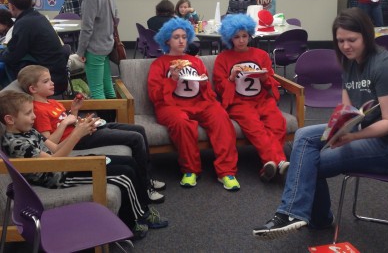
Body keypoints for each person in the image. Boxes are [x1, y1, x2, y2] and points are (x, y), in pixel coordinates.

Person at [253, 7, 388, 239]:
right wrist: (339, 129)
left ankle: (300, 215)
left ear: (366, 36)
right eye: (340, 40)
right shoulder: (350, 62)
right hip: (362, 131)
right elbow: (346, 109)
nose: (346, 46)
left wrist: (352, 136)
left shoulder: (384, 67)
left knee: (309, 162)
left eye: (352, 40)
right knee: (303, 136)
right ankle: (304, 215)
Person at [0, 90, 169, 240]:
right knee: (123, 175)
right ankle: (134, 222)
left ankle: (142, 209)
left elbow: (56, 148)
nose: (34, 116)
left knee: (129, 163)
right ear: (10, 119)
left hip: (65, 164)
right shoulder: (16, 143)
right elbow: (53, 163)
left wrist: (78, 130)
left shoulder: (28, 131)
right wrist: (76, 134)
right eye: (29, 113)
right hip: (59, 176)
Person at [17, 64, 166, 203]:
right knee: (135, 138)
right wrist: (68, 125)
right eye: (46, 81)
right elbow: (50, 142)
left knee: (138, 129)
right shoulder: (38, 110)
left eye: (50, 79)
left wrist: (75, 112)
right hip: (78, 140)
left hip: (83, 131)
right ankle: (146, 187)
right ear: (33, 89)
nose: (52, 83)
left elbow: (68, 120)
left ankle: (147, 177)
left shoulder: (52, 102)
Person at [147, 18, 240, 191]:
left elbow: (207, 91)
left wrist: (205, 87)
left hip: (200, 102)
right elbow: (155, 96)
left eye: (184, 36)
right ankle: (190, 170)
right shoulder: (158, 64)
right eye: (176, 37)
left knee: (221, 118)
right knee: (182, 123)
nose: (181, 41)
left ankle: (226, 171)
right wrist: (172, 79)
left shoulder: (196, 61)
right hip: (170, 106)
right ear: (167, 40)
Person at [213, 14, 289, 182]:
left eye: (244, 36)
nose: (241, 40)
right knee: (255, 128)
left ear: (250, 35)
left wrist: (264, 78)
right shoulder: (223, 59)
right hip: (239, 103)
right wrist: (232, 78)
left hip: (262, 100)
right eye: (236, 37)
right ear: (229, 38)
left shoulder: (261, 55)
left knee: (278, 122)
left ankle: (269, 165)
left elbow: (271, 83)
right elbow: (219, 88)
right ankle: (279, 160)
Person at [0, 0, 65, 87]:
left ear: (12, 6)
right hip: (56, 72)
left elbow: (13, 55)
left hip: (46, 75)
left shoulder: (24, 23)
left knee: (7, 65)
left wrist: (2, 54)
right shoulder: (38, 17)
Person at [76, 0, 117, 99]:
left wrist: (80, 52)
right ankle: (114, 120)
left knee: (97, 91)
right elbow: (116, 17)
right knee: (108, 87)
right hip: (107, 44)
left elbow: (87, 26)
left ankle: (106, 123)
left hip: (94, 47)